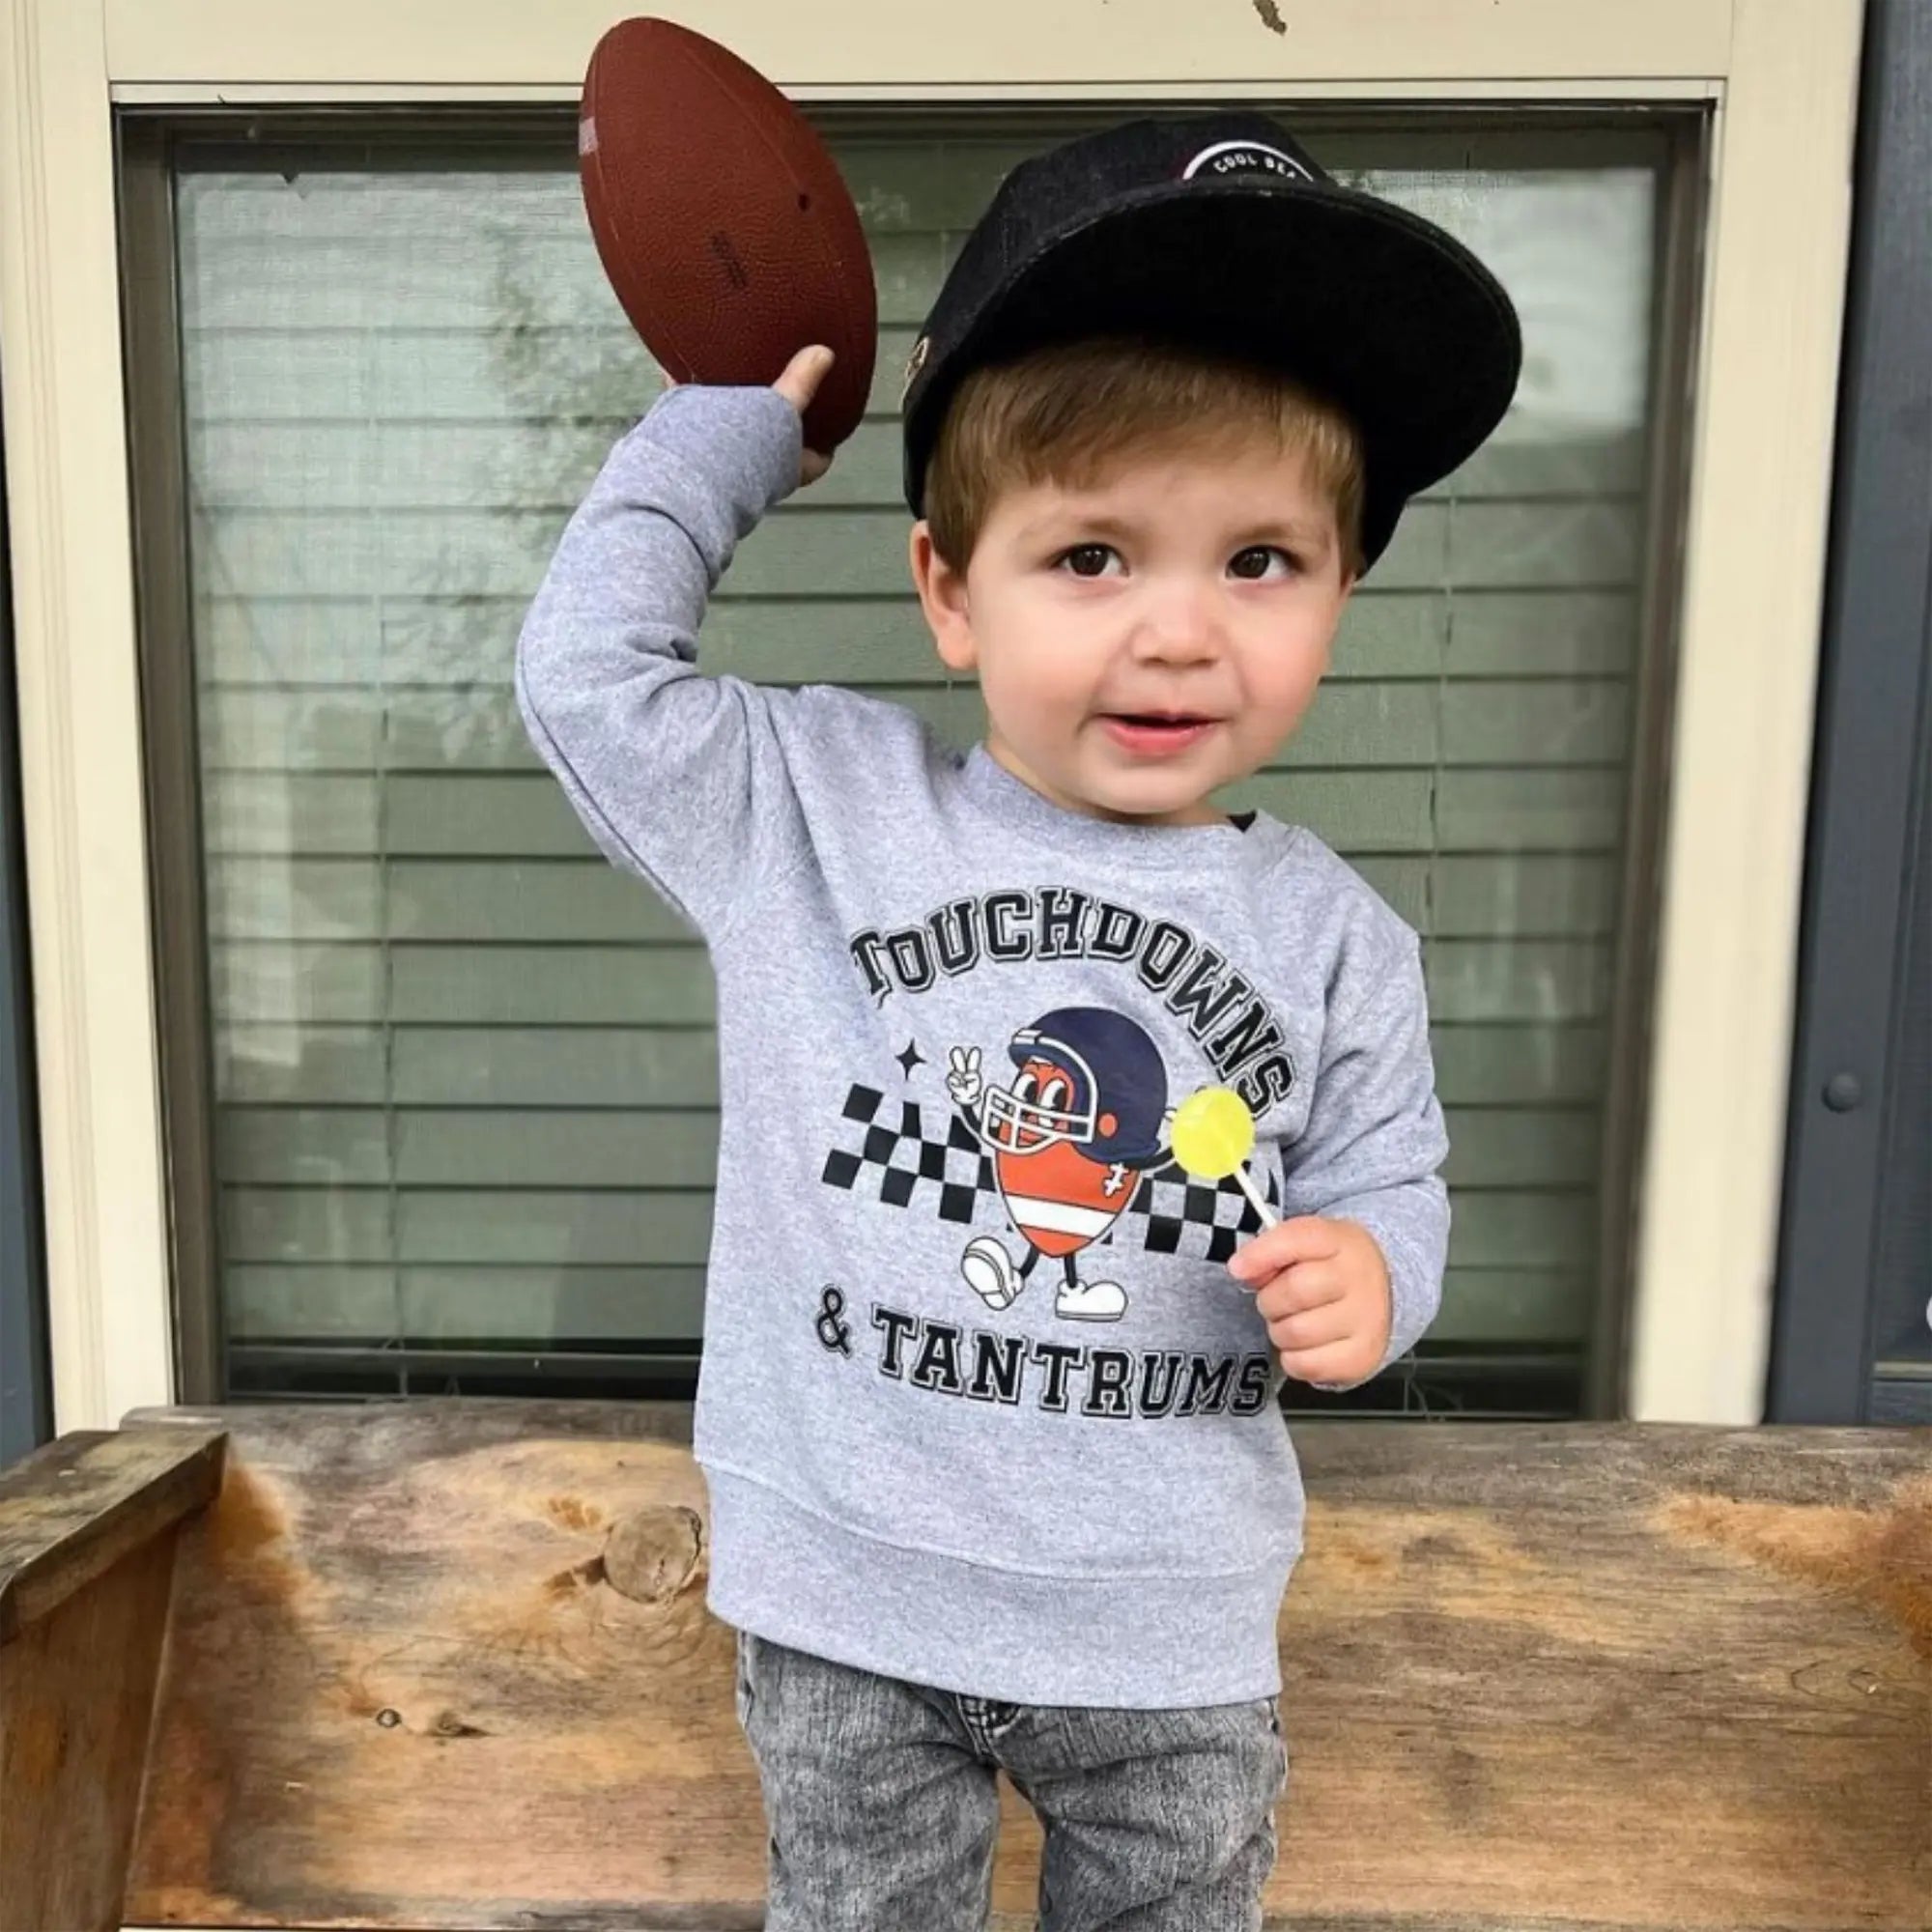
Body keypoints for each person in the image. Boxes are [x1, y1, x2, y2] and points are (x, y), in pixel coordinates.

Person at [518, 111, 1520, 1932]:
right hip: (846, 1610)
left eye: (1260, 563)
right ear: (947, 591)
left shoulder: (1337, 939)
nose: (1178, 634)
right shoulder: (810, 813)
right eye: (1091, 558)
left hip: (1168, 1631)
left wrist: (1377, 1273)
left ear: (1342, 595)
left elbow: (1396, 1178)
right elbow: (586, 678)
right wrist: (737, 424)